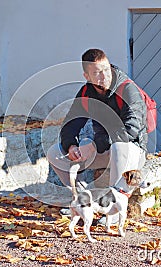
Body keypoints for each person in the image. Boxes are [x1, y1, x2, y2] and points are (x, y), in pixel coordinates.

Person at [47, 48, 148, 214]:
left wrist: (94, 145)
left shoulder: (127, 89)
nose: (104, 77)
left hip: (131, 151)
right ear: (87, 76)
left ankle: (114, 211)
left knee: (119, 146)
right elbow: (70, 124)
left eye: (107, 70)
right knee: (54, 153)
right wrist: (71, 146)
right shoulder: (87, 92)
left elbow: (131, 130)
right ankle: (81, 202)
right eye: (97, 73)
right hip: (104, 150)